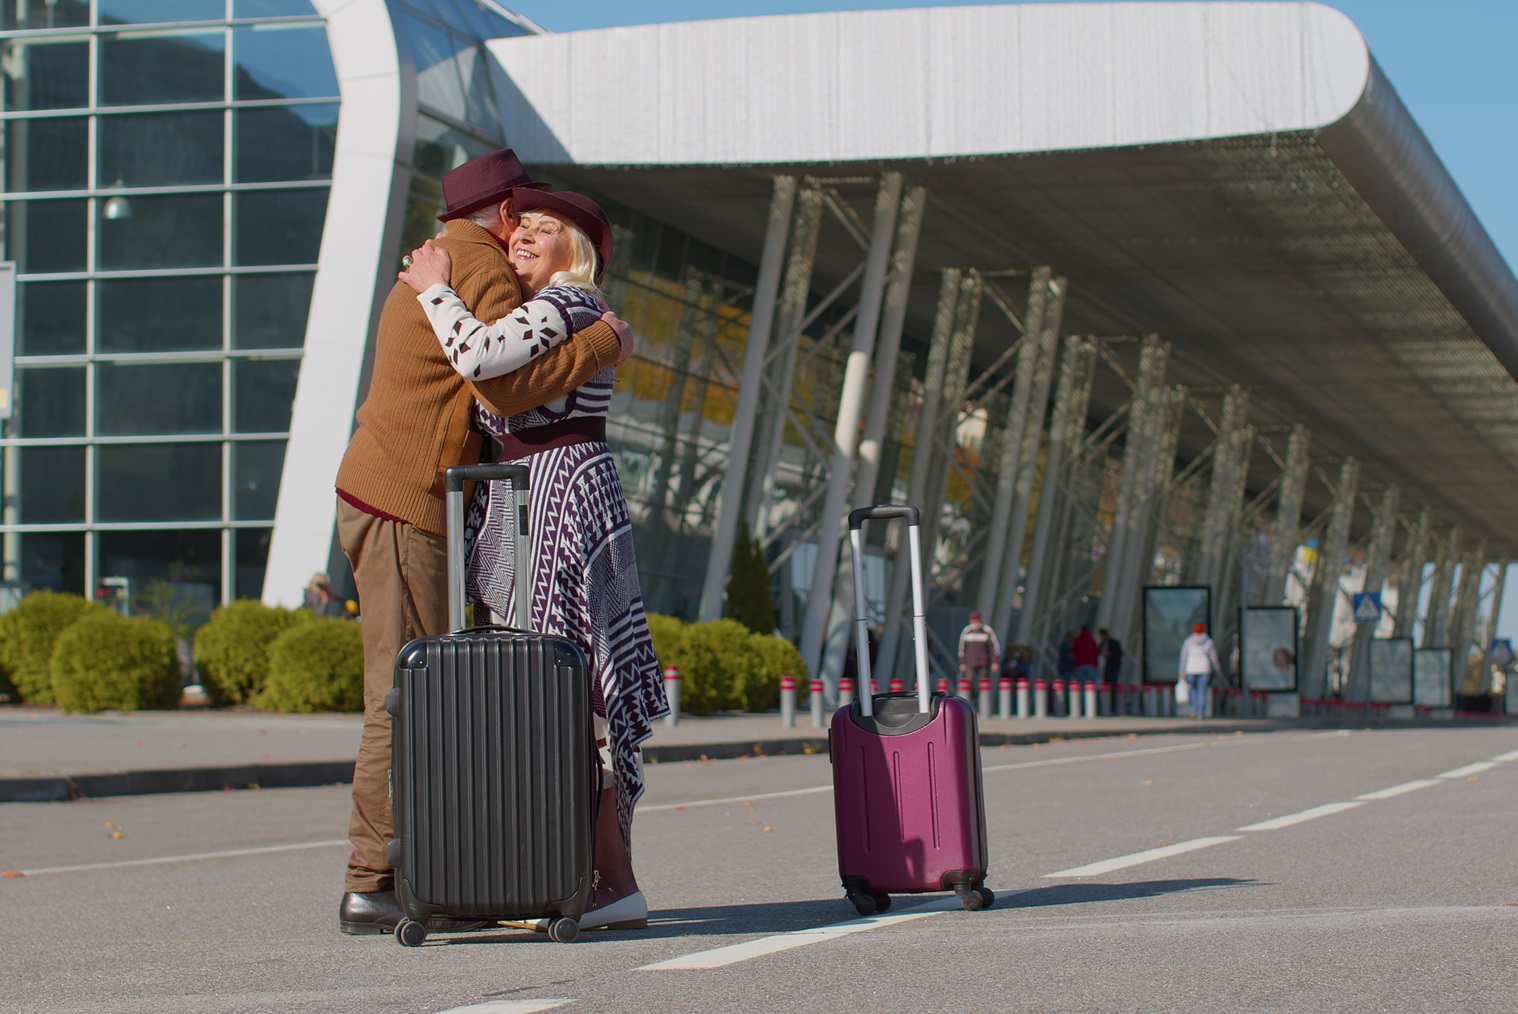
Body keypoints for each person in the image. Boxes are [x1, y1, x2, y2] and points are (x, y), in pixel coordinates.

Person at [334, 148, 634, 937]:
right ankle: (376, 882)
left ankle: (430, 872)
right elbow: (499, 381)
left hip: (388, 493)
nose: (527, 232)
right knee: (407, 697)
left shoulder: (451, 256)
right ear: (502, 216)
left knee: (424, 690)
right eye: (524, 217)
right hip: (406, 500)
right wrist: (604, 344)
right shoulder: (482, 268)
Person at [399, 186, 668, 933]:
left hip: (561, 491)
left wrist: (435, 291)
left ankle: (610, 881)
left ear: (573, 252)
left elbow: (480, 358)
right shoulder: (567, 314)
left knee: (568, 691)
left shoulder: (570, 305)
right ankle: (588, 877)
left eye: (545, 231)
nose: (526, 238)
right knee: (557, 690)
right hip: (545, 492)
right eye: (523, 227)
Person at [1179, 622, 1223, 719]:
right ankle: (1200, 714)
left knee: (1192, 691)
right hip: (1204, 670)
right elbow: (1214, 658)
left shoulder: (1188, 641)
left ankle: (1193, 710)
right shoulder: (1208, 642)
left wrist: (1182, 672)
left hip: (1190, 669)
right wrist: (1218, 670)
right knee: (1202, 692)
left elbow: (1183, 657)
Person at [957, 611, 1001, 699]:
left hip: (984, 662)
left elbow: (994, 648)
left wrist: (995, 662)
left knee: (983, 684)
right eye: (972, 620)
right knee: (970, 682)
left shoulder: (987, 631)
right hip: (970, 662)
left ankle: (982, 702)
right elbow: (962, 648)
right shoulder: (967, 631)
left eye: (976, 620)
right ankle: (972, 700)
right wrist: (962, 662)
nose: (974, 622)